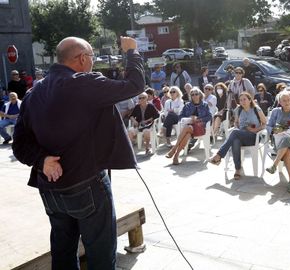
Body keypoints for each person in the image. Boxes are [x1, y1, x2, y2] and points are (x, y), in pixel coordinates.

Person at [12, 36, 144, 270]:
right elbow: (135, 85)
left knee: (62, 253)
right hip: (86, 185)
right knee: (100, 254)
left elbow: (19, 144)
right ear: (82, 58)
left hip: (50, 188)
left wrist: (41, 160)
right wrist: (132, 52)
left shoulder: (33, 93)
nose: (92, 62)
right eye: (92, 57)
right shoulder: (83, 83)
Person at [208, 92, 267, 179]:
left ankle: (219, 155)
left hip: (253, 136)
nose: (243, 101)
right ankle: (237, 169)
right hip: (241, 134)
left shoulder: (256, 109)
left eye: (245, 99)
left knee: (235, 132)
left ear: (250, 100)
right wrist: (237, 127)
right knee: (235, 141)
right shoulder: (239, 110)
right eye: (241, 100)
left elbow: (265, 123)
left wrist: (256, 129)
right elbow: (236, 123)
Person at [265, 90, 290, 193]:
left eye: (288, 100)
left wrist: (285, 128)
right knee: (287, 152)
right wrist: (274, 130)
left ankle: (274, 164)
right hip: (278, 140)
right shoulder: (275, 111)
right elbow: (268, 125)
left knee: (287, 140)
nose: (286, 102)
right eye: (283, 100)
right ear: (280, 102)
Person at [165, 87, 212, 165]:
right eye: (192, 94)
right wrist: (189, 118)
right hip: (189, 128)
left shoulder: (205, 105)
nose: (194, 96)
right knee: (187, 134)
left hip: (199, 129)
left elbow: (209, 116)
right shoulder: (187, 105)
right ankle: (176, 156)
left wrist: (198, 119)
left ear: (200, 95)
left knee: (187, 128)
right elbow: (180, 116)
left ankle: (174, 149)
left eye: (196, 94)